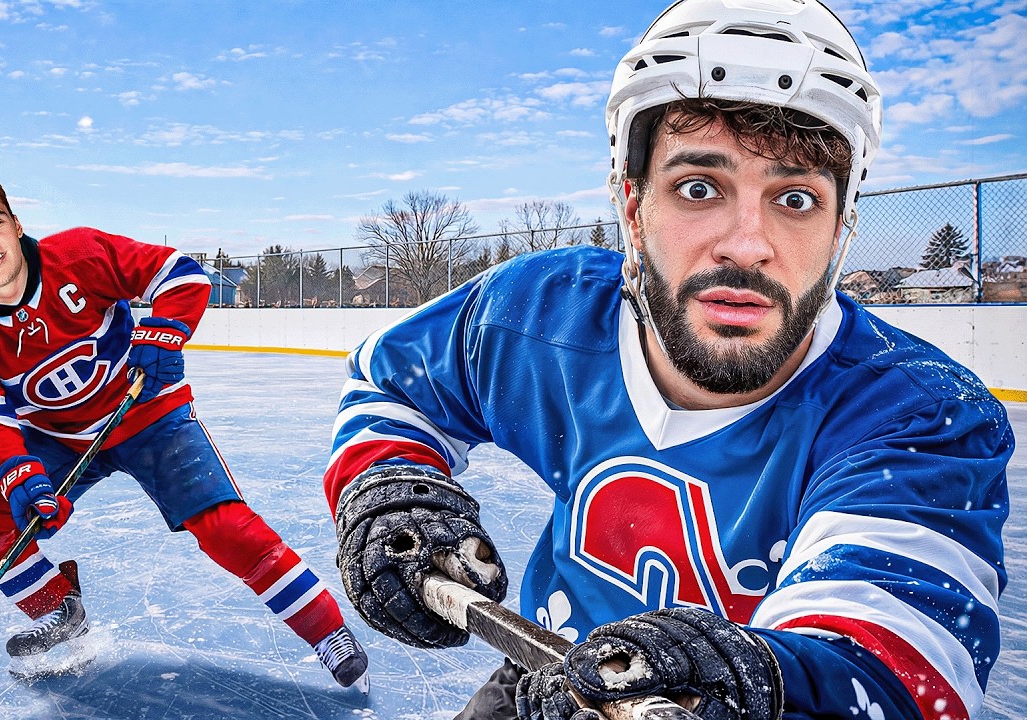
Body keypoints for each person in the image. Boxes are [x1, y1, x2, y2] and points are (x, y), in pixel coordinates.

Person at [323, 1, 1012, 719]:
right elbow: (395, 386)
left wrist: (743, 688)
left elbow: (890, 668)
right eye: (698, 188)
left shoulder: (922, 418)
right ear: (632, 205)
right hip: (544, 679)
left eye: (796, 197)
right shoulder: (535, 313)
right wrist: (393, 488)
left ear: (840, 231)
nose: (747, 244)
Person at [0, 171, 369, 690]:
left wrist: (166, 331)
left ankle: (327, 630)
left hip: (148, 413)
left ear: (16, 223)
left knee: (223, 524)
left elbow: (181, 273)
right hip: (59, 439)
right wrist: (18, 472)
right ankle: (58, 607)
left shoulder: (79, 253)